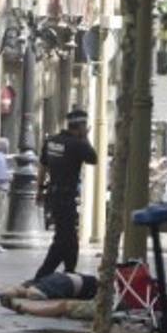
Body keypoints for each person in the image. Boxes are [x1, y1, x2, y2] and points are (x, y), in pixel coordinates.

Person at [35, 107, 98, 280]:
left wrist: (39, 189)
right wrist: (85, 138)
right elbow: (94, 158)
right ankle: (42, 275)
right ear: (81, 126)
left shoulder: (52, 141)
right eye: (85, 127)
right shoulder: (78, 144)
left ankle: (70, 272)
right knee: (63, 239)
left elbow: (43, 166)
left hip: (53, 195)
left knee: (70, 237)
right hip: (66, 197)